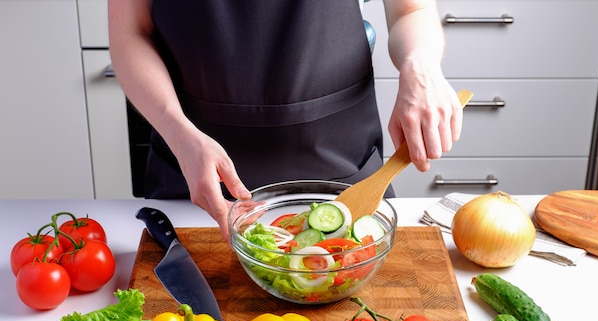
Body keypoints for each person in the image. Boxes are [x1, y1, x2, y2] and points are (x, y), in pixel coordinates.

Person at [108, 0, 464, 242]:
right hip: (192, 181)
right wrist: (176, 128)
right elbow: (131, 31)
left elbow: (410, 9)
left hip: (345, 169)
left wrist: (421, 65)